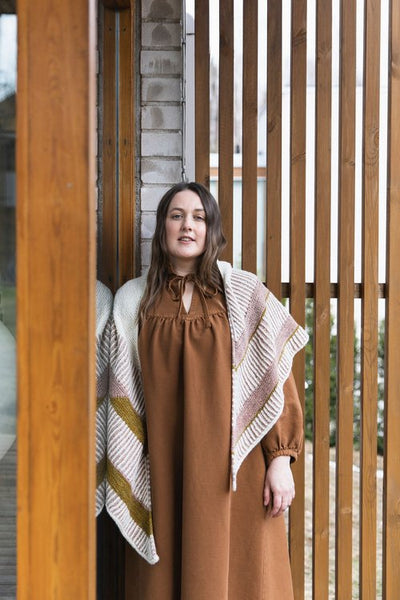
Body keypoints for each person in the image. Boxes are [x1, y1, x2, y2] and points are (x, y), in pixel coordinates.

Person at [103, 182, 308, 599]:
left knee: (242, 577)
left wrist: (280, 459)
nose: (187, 225)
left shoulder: (242, 293)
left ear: (211, 229)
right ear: (162, 226)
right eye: (176, 216)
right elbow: (119, 395)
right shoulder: (132, 301)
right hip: (163, 470)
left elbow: (276, 381)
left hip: (236, 471)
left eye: (198, 217)